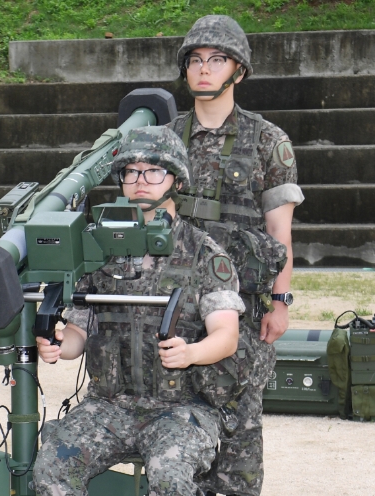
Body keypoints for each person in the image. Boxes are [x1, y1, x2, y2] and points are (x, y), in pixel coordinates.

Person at [32, 125, 246, 496]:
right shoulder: (98, 250)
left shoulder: (202, 253)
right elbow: (78, 335)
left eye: (154, 171)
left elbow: (226, 336)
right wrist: (56, 343)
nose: (140, 181)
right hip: (109, 406)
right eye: (131, 172)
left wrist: (190, 352)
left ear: (176, 180)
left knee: (170, 478)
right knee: (50, 468)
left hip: (181, 408)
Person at [167, 15, 305, 496]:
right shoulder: (163, 141)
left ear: (238, 71)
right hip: (172, 306)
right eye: (196, 60)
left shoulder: (269, 141)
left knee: (238, 434)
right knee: (169, 431)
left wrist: (281, 301)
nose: (204, 70)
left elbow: (278, 231)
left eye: (217, 60)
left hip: (243, 309)